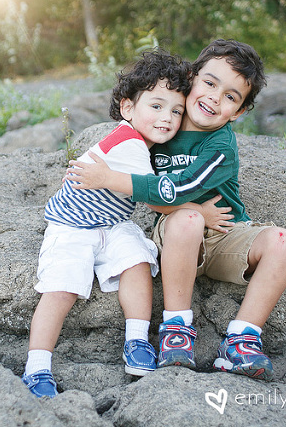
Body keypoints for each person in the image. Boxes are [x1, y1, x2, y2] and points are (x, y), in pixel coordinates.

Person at [65, 39, 286, 382]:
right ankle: (176, 328)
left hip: (224, 234)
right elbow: (152, 187)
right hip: (177, 236)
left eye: (231, 97)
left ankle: (243, 338)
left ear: (239, 112)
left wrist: (111, 179)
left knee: (284, 242)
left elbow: (178, 190)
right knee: (188, 218)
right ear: (192, 77)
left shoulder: (220, 145)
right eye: (209, 83)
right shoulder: (162, 125)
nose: (215, 98)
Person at [22, 48, 193, 398]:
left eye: (177, 110)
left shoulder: (147, 145)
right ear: (128, 108)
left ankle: (137, 341)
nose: (167, 118)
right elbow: (158, 197)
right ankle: (36, 368)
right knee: (62, 286)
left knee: (137, 260)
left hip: (112, 224)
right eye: (156, 106)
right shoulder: (129, 141)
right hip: (73, 226)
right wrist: (200, 211)